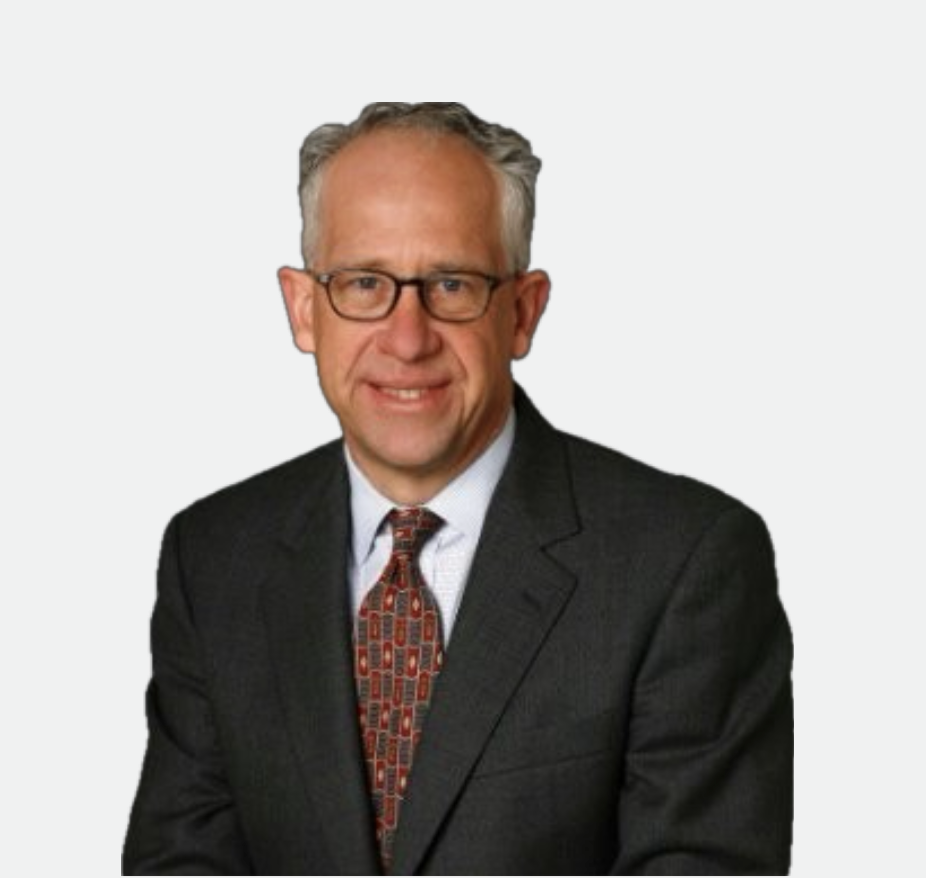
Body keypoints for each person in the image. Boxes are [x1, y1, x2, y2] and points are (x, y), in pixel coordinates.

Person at [123, 102, 793, 875]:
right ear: (304, 309)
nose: (407, 339)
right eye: (364, 282)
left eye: (451, 283)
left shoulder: (684, 564)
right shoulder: (211, 558)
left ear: (524, 311)